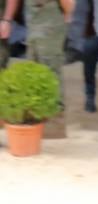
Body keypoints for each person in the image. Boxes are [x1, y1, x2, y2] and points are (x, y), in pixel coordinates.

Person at [1, 0, 71, 135]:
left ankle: (55, 124)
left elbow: (68, 4)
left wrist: (68, 14)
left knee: (51, 68)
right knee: (34, 65)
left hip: (50, 16)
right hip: (33, 16)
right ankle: (39, 121)